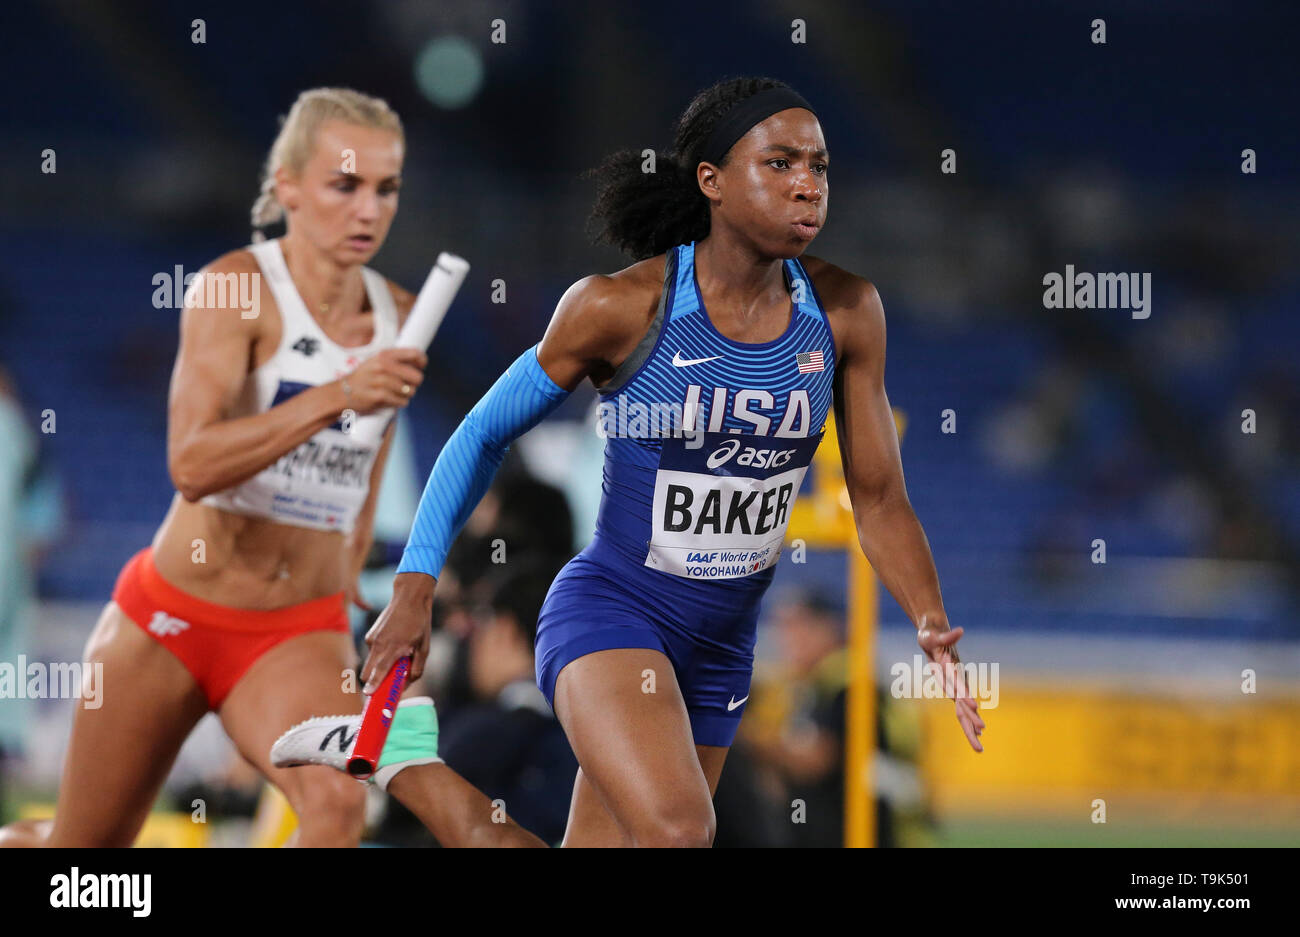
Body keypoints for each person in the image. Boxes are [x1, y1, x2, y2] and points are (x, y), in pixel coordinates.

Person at [274, 76, 984, 848]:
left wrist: (930, 617)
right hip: (615, 612)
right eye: (779, 164)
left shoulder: (846, 313)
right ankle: (405, 763)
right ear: (711, 181)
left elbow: (877, 499)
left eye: (818, 167)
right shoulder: (622, 307)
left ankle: (405, 763)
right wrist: (413, 585)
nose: (808, 186)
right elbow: (482, 432)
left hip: (723, 645)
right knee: (681, 833)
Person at [1, 86, 439, 847]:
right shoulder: (233, 289)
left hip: (293, 632)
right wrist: (339, 390)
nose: (369, 209)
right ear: (287, 187)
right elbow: (192, 463)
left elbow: (367, 459)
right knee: (83, 857)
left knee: (336, 810)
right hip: (173, 612)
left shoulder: (402, 313)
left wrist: (358, 589)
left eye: (386, 188)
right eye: (345, 184)